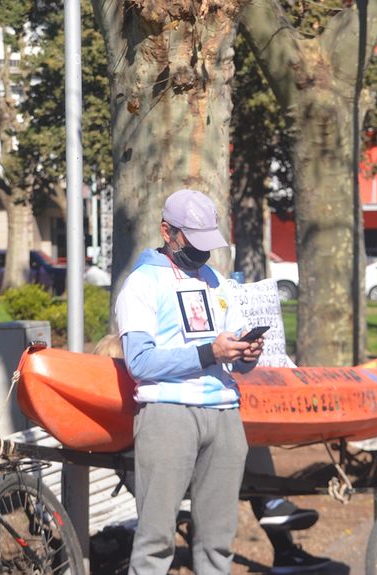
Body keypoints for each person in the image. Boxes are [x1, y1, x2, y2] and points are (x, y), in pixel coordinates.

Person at [115, 189, 264, 575]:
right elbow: (140, 363)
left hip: (225, 415)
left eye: (207, 242)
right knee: (155, 541)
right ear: (167, 231)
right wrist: (208, 353)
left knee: (218, 542)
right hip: (168, 414)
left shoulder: (215, 280)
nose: (203, 252)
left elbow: (231, 352)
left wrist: (247, 353)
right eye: (194, 242)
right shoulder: (142, 284)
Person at [93, 334, 331, 574]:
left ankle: (272, 513)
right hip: (166, 463)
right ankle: (270, 507)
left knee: (236, 440)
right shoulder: (137, 413)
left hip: (192, 445)